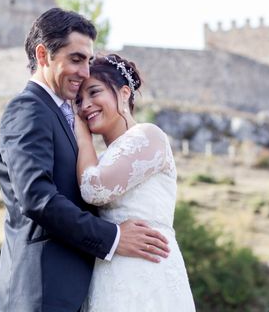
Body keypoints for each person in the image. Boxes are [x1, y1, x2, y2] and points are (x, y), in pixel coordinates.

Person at [0, 8, 171, 312]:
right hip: (38, 292)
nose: (85, 71)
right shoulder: (28, 109)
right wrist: (112, 237)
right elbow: (36, 198)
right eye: (76, 59)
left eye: (87, 60)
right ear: (43, 54)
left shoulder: (65, 116)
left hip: (79, 290)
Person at [74, 54, 196, 311]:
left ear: (124, 93)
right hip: (108, 271)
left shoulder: (149, 136)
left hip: (147, 268)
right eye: (78, 100)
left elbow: (94, 189)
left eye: (94, 92)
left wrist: (82, 138)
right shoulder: (103, 158)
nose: (85, 106)